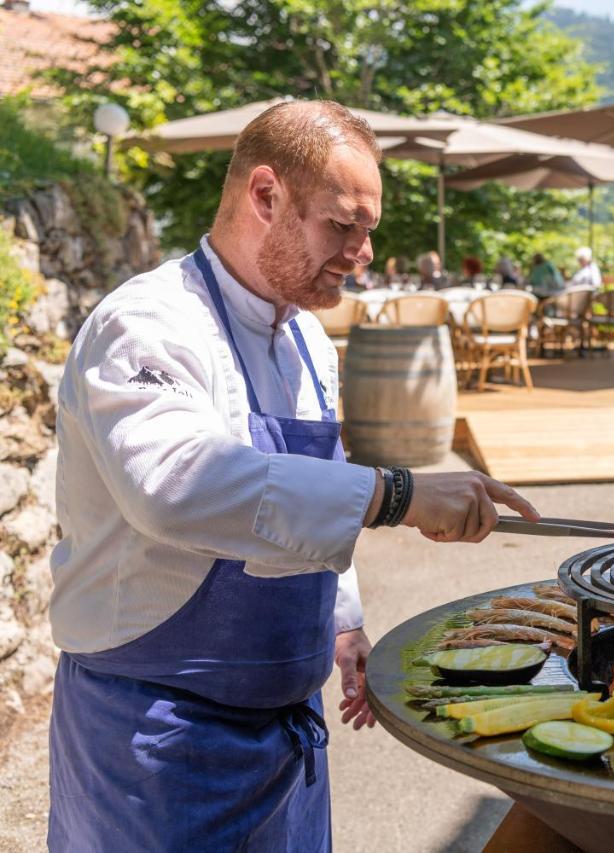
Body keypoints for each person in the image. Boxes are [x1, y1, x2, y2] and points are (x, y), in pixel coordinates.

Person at [45, 101, 540, 852]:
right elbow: (179, 486)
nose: (362, 253)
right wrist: (400, 495)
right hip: (153, 741)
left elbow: (317, 477)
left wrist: (339, 620)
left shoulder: (307, 336)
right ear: (266, 196)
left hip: (284, 736)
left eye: (368, 232)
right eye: (342, 226)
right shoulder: (145, 324)